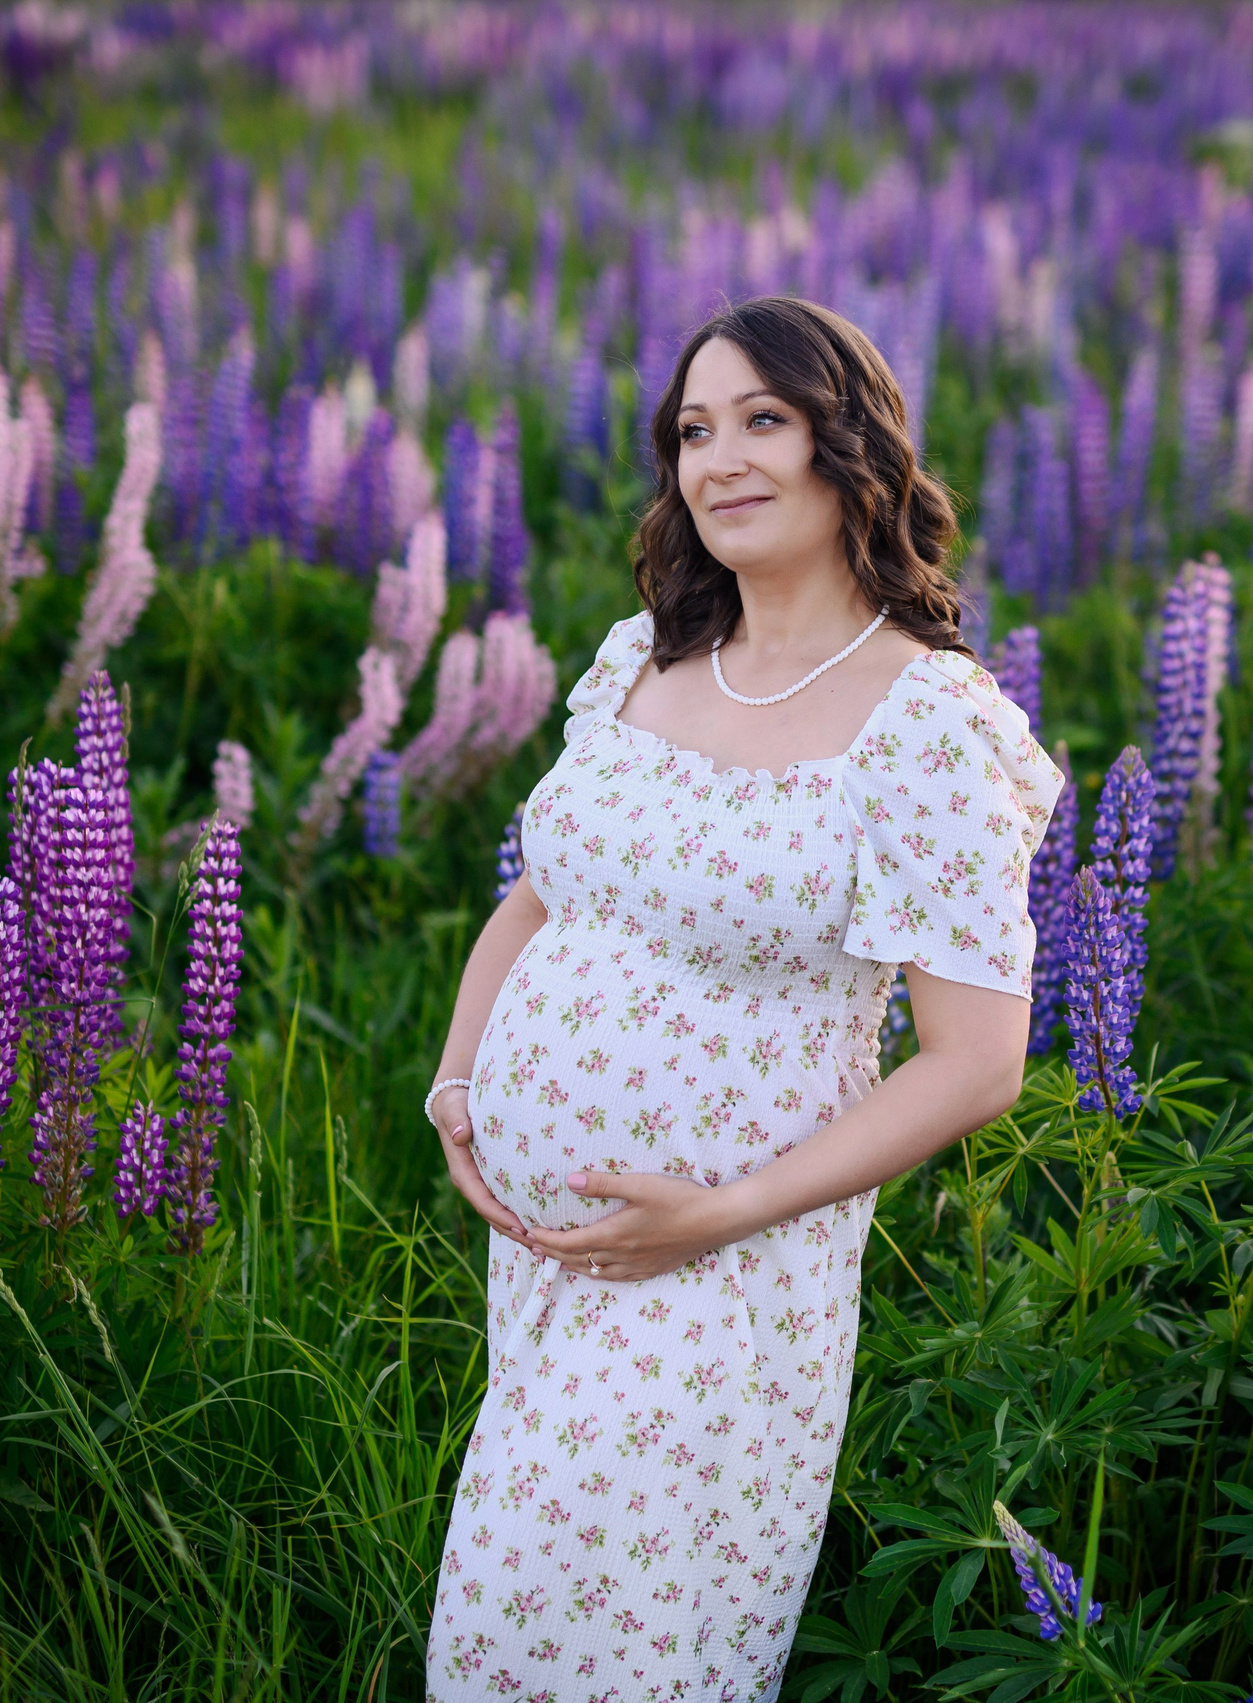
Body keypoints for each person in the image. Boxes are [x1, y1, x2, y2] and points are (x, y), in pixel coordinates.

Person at [423, 295, 1059, 1701]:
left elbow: (975, 1063)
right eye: (694, 431)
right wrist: (461, 1080)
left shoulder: (929, 722)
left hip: (723, 1269)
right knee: (505, 1629)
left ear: (850, 446)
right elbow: (539, 898)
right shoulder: (639, 664)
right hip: (545, 1260)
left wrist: (716, 1214)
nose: (721, 459)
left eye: (764, 419)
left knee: (602, 1643)